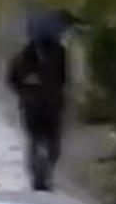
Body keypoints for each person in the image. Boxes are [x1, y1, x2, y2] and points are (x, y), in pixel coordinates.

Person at [7, 12, 71, 192]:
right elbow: (64, 79)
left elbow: (12, 80)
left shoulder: (25, 56)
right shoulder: (57, 53)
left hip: (39, 106)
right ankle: (41, 173)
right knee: (47, 141)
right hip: (46, 106)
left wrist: (24, 91)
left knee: (40, 141)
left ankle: (40, 172)